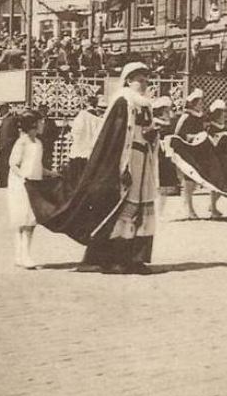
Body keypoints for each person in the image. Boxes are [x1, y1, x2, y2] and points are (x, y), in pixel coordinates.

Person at [27, 62, 159, 275]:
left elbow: (144, 131)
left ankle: (135, 258)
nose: (144, 84)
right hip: (125, 160)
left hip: (143, 158)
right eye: (139, 80)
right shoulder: (123, 101)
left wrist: (153, 136)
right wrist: (120, 166)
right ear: (128, 80)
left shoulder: (145, 104)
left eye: (146, 80)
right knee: (123, 209)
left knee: (140, 208)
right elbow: (114, 137)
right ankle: (115, 259)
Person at [7, 111, 49, 269]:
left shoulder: (38, 143)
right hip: (21, 185)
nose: (43, 125)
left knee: (29, 220)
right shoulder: (22, 142)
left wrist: (51, 173)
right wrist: (23, 177)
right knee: (24, 220)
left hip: (34, 184)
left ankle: (21, 255)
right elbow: (13, 163)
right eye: (41, 122)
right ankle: (24, 256)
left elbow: (37, 165)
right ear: (33, 124)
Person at [175, 88, 206, 219]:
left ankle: (188, 207)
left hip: (196, 150)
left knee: (193, 181)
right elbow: (179, 133)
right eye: (199, 102)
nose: (201, 104)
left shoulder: (199, 117)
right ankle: (189, 209)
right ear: (193, 103)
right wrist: (194, 137)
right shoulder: (186, 116)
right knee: (188, 180)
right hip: (187, 150)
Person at [65, 95, 105, 186]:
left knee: (76, 181)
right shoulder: (100, 120)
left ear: (88, 103)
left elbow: (75, 132)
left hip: (79, 152)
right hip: (92, 153)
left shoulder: (82, 115)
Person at [152, 97, 180, 220]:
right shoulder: (155, 122)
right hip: (157, 153)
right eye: (166, 110)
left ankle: (160, 212)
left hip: (166, 154)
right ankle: (155, 212)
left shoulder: (170, 122)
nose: (168, 112)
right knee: (156, 183)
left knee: (165, 183)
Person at [0, 103, 19, 188]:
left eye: (2, 108)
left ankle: (6, 182)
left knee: (7, 165)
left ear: (6, 109)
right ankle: (3, 183)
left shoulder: (11, 119)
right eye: (0, 108)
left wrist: (8, 144)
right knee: (2, 165)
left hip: (8, 147)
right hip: (2, 147)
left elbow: (14, 134)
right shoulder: (4, 119)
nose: (0, 110)